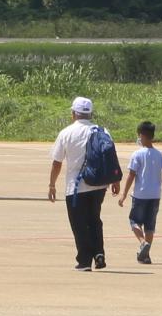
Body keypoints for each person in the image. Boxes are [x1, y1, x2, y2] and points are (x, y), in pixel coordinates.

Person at [48, 97, 115, 271]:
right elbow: (110, 157)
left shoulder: (67, 133)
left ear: (73, 114)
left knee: (79, 223)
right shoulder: (102, 130)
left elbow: (57, 162)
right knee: (94, 220)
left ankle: (84, 260)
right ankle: (99, 253)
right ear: (90, 114)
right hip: (99, 185)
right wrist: (114, 180)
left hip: (75, 188)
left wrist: (52, 185)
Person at [117, 121, 162, 264]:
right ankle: (146, 256)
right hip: (155, 195)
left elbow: (131, 175)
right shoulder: (159, 155)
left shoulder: (137, 154)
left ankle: (143, 243)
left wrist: (124, 194)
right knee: (150, 226)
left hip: (140, 195)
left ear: (141, 135)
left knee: (134, 221)